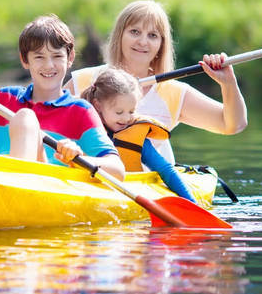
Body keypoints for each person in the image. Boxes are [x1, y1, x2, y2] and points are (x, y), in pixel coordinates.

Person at [0, 14, 125, 180]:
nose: (49, 65)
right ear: (24, 60)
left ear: (70, 58)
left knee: (25, 119)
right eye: (39, 57)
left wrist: (79, 157)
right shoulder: (3, 99)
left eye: (57, 56)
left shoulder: (80, 112)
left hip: (38, 191)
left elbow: (118, 170)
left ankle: (14, 187)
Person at [66, 0, 248, 164]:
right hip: (89, 175)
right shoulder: (84, 80)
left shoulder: (173, 92)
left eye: (153, 35)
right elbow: (43, 116)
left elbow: (233, 124)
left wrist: (228, 83)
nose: (143, 42)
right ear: (120, 36)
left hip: (149, 185)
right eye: (135, 32)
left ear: (162, 44)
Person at [80, 67, 196, 202]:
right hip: (85, 188)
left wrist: (191, 202)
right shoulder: (83, 129)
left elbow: (165, 169)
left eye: (131, 111)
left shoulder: (136, 136)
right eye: (119, 112)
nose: (126, 118)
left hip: (126, 193)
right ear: (98, 105)